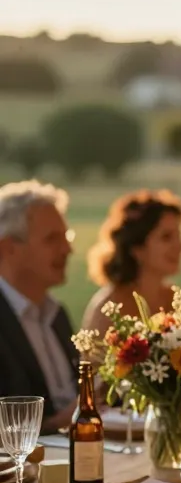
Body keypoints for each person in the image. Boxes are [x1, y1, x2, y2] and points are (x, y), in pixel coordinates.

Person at [0, 180, 79, 433]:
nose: (67, 249)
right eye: (52, 239)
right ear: (9, 248)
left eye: (66, 236)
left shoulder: (56, 315)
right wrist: (58, 423)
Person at [81, 189, 181, 334]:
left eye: (178, 236)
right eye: (166, 237)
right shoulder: (110, 310)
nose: (180, 246)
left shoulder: (177, 301)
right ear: (137, 248)